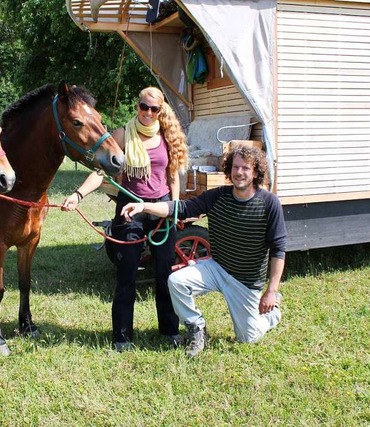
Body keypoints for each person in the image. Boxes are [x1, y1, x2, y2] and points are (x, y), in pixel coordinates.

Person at [120, 143, 286, 358]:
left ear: (255, 172)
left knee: (248, 337)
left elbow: (279, 249)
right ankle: (196, 328)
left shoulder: (269, 203)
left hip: (246, 281)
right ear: (229, 170)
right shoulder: (218, 196)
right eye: (235, 167)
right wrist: (144, 206)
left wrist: (271, 291)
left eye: (246, 168)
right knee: (176, 281)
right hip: (217, 268)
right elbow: (180, 209)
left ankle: (272, 315)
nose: (239, 173)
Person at [62, 87, 188, 352]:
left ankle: (170, 330)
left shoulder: (167, 136)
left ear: (160, 110)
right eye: (144, 107)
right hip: (130, 208)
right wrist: (78, 194)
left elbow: (173, 175)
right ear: (137, 105)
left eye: (155, 109)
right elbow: (101, 171)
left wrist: (174, 208)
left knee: (165, 274)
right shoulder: (122, 134)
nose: (149, 113)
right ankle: (122, 337)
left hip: (161, 209)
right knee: (127, 274)